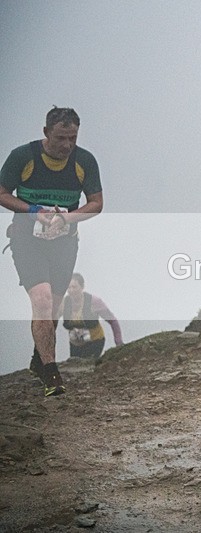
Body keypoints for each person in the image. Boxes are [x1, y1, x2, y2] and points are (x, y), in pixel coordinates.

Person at [0, 107, 103, 396]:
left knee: (55, 306)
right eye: (61, 138)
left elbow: (96, 202)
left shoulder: (84, 161)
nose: (67, 145)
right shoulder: (24, 157)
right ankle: (50, 373)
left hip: (64, 242)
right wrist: (34, 210)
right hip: (26, 240)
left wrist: (67, 217)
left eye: (72, 138)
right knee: (42, 300)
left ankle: (38, 360)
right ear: (46, 133)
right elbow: (2, 192)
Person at [61, 273, 123, 359]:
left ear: (82, 287)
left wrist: (119, 343)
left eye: (74, 287)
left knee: (87, 366)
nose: (71, 290)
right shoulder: (64, 303)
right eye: (68, 287)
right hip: (75, 344)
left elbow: (113, 321)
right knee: (74, 367)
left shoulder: (94, 302)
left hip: (95, 342)